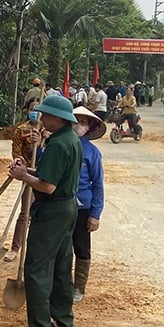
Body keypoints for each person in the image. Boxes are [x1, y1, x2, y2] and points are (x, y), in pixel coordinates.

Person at [8, 95, 82, 327]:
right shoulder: (70, 140)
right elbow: (50, 174)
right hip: (68, 208)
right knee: (62, 266)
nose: (42, 119)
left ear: (58, 118)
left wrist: (23, 177)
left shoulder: (59, 144)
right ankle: (63, 322)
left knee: (37, 268)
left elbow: (48, 186)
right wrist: (26, 170)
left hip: (51, 211)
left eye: (46, 115)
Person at [70, 107, 105, 303]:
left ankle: (79, 287)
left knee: (81, 248)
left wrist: (96, 213)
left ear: (89, 127)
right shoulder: (58, 145)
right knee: (62, 247)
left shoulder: (92, 153)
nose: (78, 126)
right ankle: (63, 283)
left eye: (83, 122)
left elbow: (98, 184)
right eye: (76, 121)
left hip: (83, 207)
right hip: (60, 204)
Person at [4, 97, 45, 263]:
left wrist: (42, 142)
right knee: (25, 212)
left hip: (46, 176)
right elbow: (16, 154)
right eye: (32, 108)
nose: (35, 112)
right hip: (28, 175)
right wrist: (21, 165)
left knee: (43, 215)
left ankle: (38, 250)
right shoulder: (21, 130)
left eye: (38, 108)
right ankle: (15, 248)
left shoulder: (50, 131)